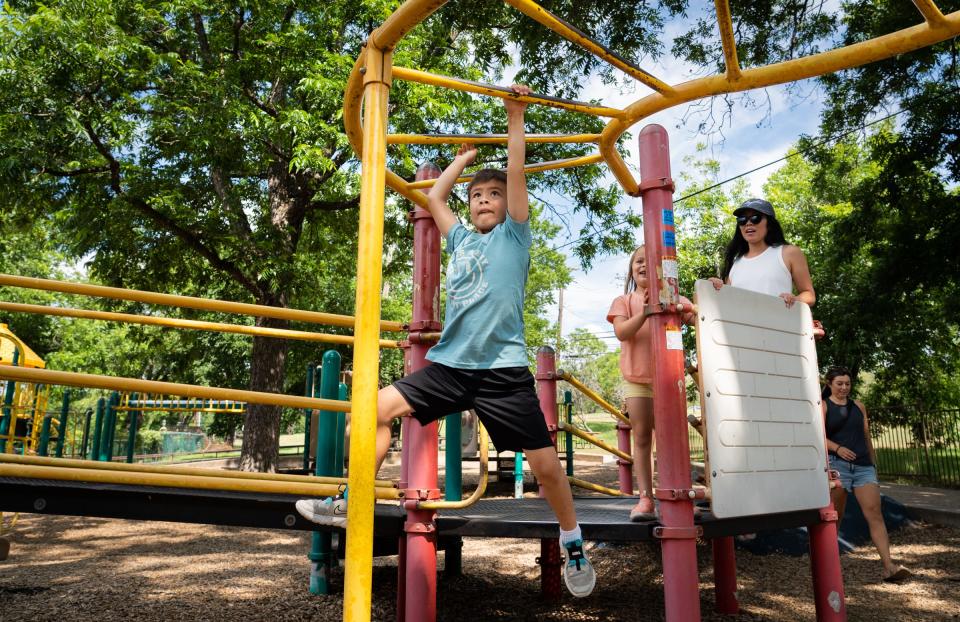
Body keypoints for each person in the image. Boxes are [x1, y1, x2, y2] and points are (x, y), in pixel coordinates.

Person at [295, 85, 595, 598]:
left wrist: (515, 120)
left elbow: (517, 175)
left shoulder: (514, 236)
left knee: (545, 468)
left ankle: (572, 538)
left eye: (493, 195)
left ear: (507, 206)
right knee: (372, 410)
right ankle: (354, 496)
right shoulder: (458, 238)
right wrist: (461, 162)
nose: (484, 200)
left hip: (502, 371)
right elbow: (433, 197)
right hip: (451, 365)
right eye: (478, 195)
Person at [607, 245, 694, 521]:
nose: (643, 265)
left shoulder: (671, 296)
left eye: (650, 261)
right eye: (638, 262)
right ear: (632, 269)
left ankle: (678, 491)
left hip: (669, 380)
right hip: (637, 378)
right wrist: (644, 312)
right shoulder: (624, 301)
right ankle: (646, 498)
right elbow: (622, 332)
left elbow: (698, 315)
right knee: (642, 436)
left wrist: (709, 292)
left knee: (672, 439)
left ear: (661, 268)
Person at [822, 366, 912, 583]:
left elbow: (866, 437)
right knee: (837, 517)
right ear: (829, 385)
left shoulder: (859, 407)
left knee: (875, 514)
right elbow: (816, 437)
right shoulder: (823, 407)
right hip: (838, 466)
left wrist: (872, 464)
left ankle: (889, 567)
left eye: (847, 383)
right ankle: (828, 570)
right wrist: (837, 448)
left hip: (863, 468)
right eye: (839, 384)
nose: (844, 388)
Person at [707, 198, 815, 307]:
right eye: (742, 220)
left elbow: (809, 295)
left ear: (769, 223)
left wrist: (794, 299)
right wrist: (718, 289)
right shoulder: (736, 263)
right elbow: (729, 304)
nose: (748, 223)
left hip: (779, 323)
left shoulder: (789, 253)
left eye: (755, 218)